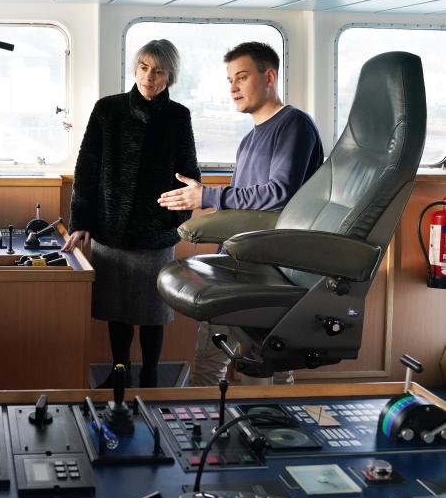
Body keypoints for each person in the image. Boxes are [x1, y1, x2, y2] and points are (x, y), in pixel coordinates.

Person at [157, 41, 324, 387]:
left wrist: (209, 194)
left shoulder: (294, 126)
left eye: (242, 77)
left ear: (270, 77)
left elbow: (279, 193)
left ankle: (268, 428)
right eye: (229, 79)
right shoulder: (249, 140)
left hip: (273, 265)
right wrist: (203, 208)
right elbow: (244, 205)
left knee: (261, 368)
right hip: (240, 258)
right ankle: (197, 431)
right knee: (210, 362)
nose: (233, 87)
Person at [62, 39, 200, 388]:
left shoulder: (178, 116)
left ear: (170, 76)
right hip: (111, 229)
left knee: (154, 313)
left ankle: (151, 374)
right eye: (143, 67)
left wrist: (174, 221)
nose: (148, 77)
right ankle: (120, 370)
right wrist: (81, 222)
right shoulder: (108, 109)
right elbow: (87, 168)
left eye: (158, 71)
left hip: (157, 234)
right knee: (117, 311)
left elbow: (189, 173)